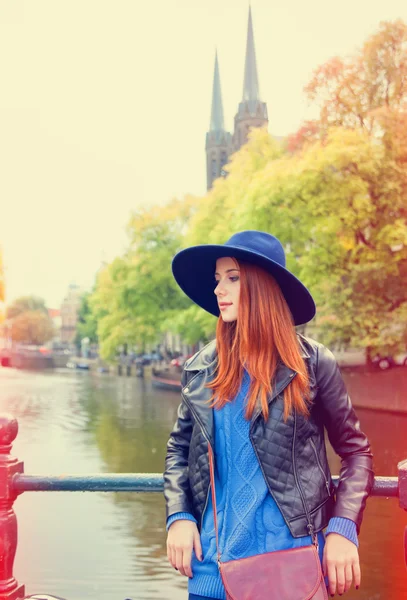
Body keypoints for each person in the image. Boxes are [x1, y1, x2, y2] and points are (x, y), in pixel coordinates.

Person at [164, 230, 374, 599]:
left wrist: (342, 528)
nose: (218, 290)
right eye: (217, 280)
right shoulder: (201, 369)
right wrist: (179, 516)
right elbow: (178, 452)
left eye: (232, 278)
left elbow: (356, 452)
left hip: (288, 570)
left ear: (261, 287)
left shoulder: (313, 364)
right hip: (210, 571)